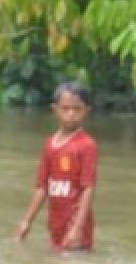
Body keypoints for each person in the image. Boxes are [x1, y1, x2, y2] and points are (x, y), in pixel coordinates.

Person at [14, 81, 98, 251]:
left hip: (77, 227)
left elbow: (87, 188)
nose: (71, 114)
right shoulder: (49, 144)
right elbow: (41, 187)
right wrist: (26, 222)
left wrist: (77, 228)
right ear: (55, 109)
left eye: (77, 109)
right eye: (65, 108)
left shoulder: (87, 145)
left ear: (87, 111)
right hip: (55, 226)